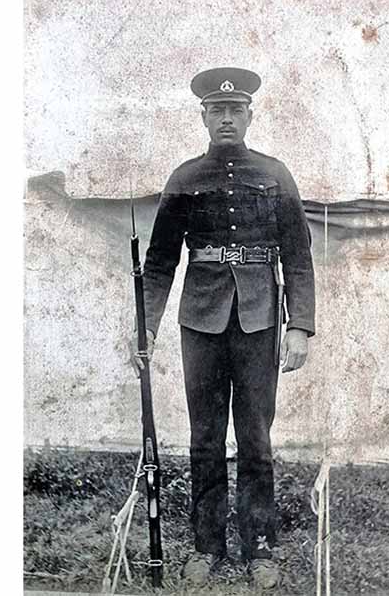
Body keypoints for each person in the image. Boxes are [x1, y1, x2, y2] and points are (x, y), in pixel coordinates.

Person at [130, 66, 316, 590]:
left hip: (260, 317)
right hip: (201, 319)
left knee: (256, 436)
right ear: (204, 117)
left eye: (236, 110)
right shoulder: (185, 178)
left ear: (250, 115)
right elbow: (160, 260)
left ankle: (260, 547)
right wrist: (145, 327)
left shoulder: (275, 173)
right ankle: (207, 545)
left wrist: (299, 326)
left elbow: (298, 255)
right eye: (218, 110)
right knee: (205, 437)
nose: (227, 118)